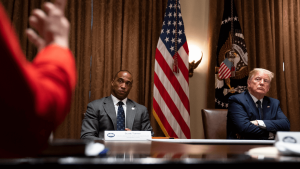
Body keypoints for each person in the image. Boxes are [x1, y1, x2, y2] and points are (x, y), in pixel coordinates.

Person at [0, 0, 76, 157]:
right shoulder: (97, 107)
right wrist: (57, 47)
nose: (124, 86)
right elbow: (25, 121)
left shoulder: (140, 111)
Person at [81, 70, 154, 140]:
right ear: (112, 82)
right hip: (105, 151)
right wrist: (111, 142)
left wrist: (134, 137)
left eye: (128, 83)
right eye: (120, 81)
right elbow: (87, 137)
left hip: (131, 151)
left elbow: (150, 137)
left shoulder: (141, 110)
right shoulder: (95, 107)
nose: (123, 86)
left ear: (131, 87)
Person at [227, 68, 290, 139]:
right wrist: (271, 134)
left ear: (268, 87)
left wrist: (258, 122)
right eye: (257, 79)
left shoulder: (273, 103)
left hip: (268, 147)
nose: (262, 83)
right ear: (249, 83)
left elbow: (285, 125)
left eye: (266, 81)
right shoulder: (237, 100)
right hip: (242, 146)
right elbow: (245, 129)